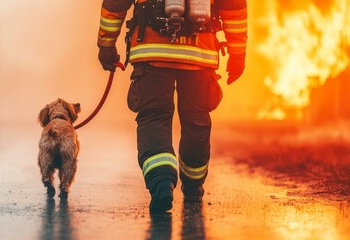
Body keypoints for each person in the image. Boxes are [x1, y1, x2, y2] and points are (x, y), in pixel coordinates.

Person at [97, 0, 247, 213]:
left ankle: (161, 184)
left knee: (154, 118)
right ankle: (194, 187)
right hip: (200, 54)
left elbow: (115, 3)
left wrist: (106, 46)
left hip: (152, 51)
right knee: (196, 122)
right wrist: (238, 53)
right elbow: (234, 7)